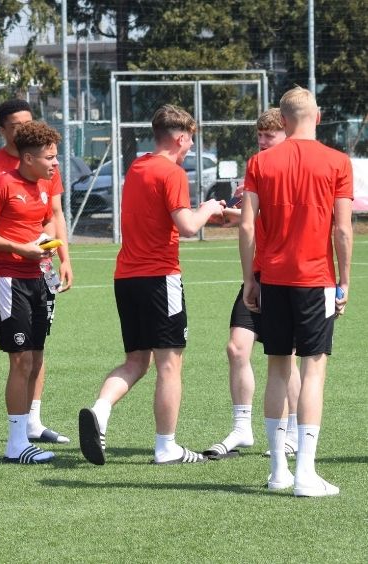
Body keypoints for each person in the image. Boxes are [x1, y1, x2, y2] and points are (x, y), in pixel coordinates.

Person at [78, 104, 224, 466]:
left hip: (127, 278)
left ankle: (100, 410)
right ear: (180, 137)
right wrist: (208, 208)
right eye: (190, 139)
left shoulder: (138, 166)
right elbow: (188, 226)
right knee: (170, 365)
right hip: (160, 278)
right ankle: (166, 446)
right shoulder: (171, 172)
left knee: (136, 361)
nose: (191, 146)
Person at [239, 87, 352, 497]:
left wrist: (251, 278)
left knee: (277, 369)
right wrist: (345, 281)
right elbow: (341, 229)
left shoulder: (260, 162)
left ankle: (278, 472)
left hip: (273, 279)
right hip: (315, 280)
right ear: (317, 117)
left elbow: (248, 225)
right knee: (313, 371)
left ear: (282, 120)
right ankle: (305, 473)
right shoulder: (337, 162)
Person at [0, 99, 73, 449]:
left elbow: (50, 217)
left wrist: (56, 250)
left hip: (39, 275)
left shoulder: (43, 182)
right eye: (51, 157)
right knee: (2, 350)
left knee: (34, 354)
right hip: (7, 278)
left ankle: (28, 429)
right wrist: (18, 247)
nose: (56, 164)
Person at [203, 109, 301, 459]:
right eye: (259, 135)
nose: (261, 141)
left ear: (286, 134)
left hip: (284, 276)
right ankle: (242, 429)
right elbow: (251, 216)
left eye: (268, 135)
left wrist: (236, 214)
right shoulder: (256, 164)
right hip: (257, 274)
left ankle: (291, 432)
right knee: (236, 349)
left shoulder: (292, 167)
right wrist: (230, 212)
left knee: (284, 356)